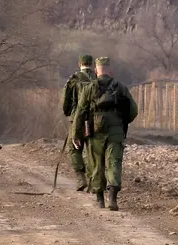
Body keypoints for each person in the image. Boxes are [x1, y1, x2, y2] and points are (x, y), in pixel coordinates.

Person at [71, 57, 138, 211]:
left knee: (96, 164)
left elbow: (80, 113)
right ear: (111, 71)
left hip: (95, 132)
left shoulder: (89, 88)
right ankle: (113, 199)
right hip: (116, 132)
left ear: (96, 71)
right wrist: (122, 121)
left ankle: (100, 199)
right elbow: (133, 111)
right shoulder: (120, 87)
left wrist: (76, 135)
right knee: (114, 162)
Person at [62, 54, 97, 191]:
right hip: (95, 119)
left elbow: (66, 100)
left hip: (77, 118)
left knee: (74, 148)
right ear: (92, 64)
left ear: (79, 64)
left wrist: (68, 112)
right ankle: (94, 180)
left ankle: (81, 178)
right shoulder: (98, 78)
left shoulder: (74, 79)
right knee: (92, 148)